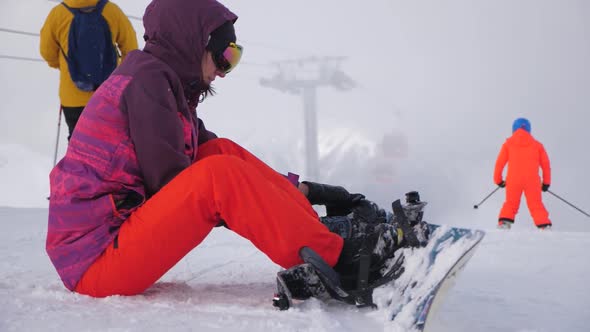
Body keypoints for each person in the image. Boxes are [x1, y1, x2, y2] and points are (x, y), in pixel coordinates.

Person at [47, 0, 424, 300]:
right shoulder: (146, 84)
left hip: (114, 240)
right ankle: (340, 259)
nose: (225, 70)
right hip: (95, 261)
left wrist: (306, 192)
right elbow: (181, 186)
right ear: (192, 45)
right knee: (215, 175)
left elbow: (221, 162)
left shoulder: (160, 83)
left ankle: (319, 232)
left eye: (234, 57)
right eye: (224, 56)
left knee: (218, 153)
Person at [40, 0, 138, 141]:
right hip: (108, 96)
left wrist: (65, 67)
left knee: (78, 144)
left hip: (73, 99)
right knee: (110, 143)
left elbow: (47, 53)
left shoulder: (58, 14)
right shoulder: (112, 11)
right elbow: (131, 49)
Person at [494, 118, 552, 230]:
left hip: (513, 180)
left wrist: (498, 180)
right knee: (536, 204)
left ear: (513, 129)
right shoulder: (537, 145)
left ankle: (504, 223)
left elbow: (499, 164)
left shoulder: (508, 144)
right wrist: (546, 183)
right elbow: (546, 165)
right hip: (532, 181)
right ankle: (544, 225)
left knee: (511, 203)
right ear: (529, 130)